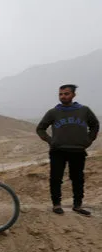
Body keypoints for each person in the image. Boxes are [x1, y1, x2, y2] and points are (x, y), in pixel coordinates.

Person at [36, 84, 99, 216]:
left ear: (73, 95)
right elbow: (40, 128)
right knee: (56, 178)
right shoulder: (53, 112)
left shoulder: (84, 111)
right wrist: (50, 140)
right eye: (60, 94)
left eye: (66, 93)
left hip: (78, 150)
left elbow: (95, 125)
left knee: (77, 178)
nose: (63, 96)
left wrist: (88, 140)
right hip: (58, 150)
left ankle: (77, 205)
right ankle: (56, 205)